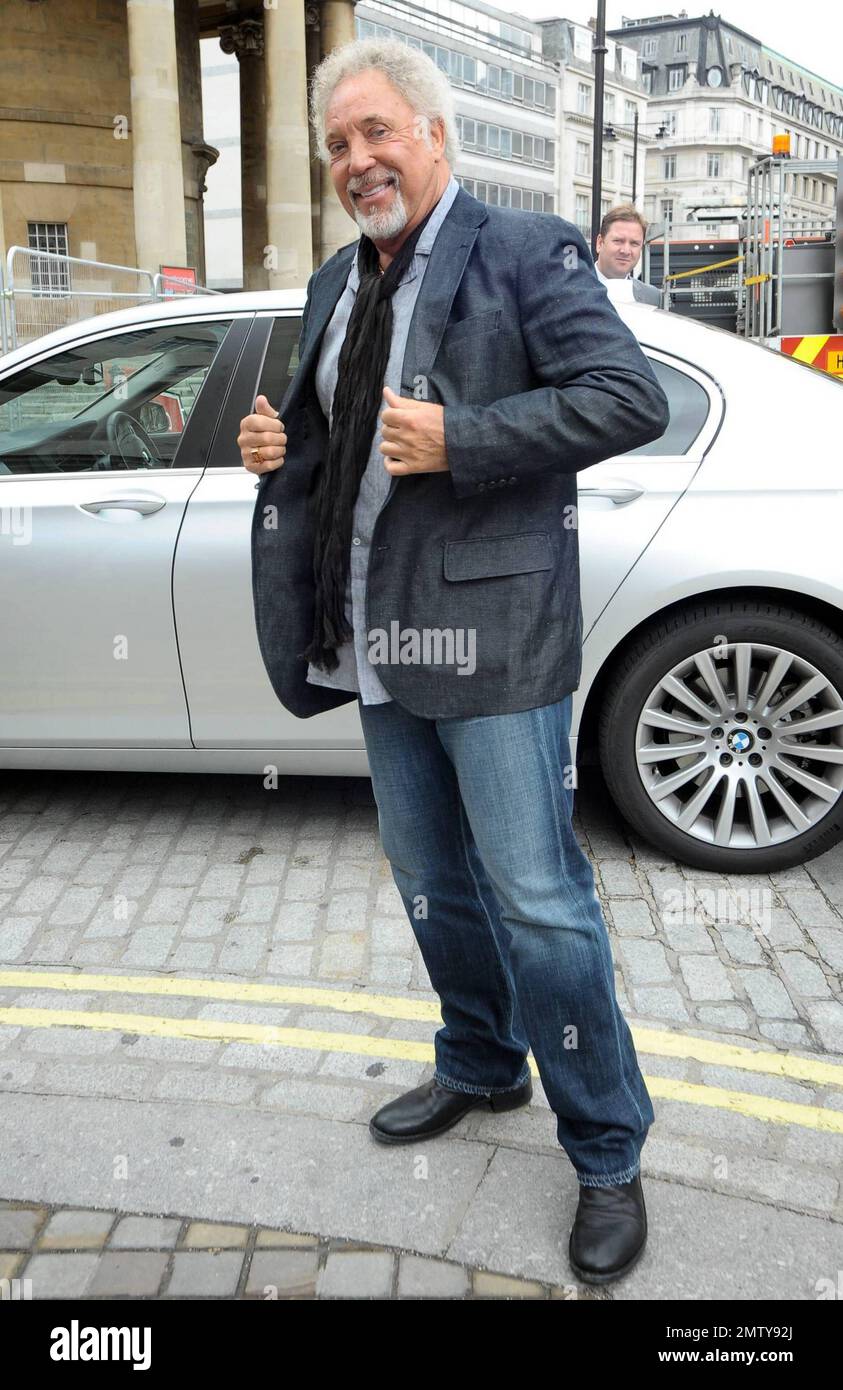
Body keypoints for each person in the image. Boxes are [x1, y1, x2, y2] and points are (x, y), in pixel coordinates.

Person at [238, 37, 670, 1286]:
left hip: (495, 641)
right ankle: (481, 1063)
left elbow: (626, 397)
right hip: (375, 633)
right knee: (431, 877)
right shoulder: (335, 281)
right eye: (337, 144)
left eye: (377, 131)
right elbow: (332, 438)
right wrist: (280, 447)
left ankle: (605, 1146)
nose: (357, 159)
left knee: (538, 897)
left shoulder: (529, 252)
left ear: (434, 134)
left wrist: (468, 437)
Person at [594, 205, 662, 305]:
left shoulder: (651, 297)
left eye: (634, 243)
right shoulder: (571, 290)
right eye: (618, 241)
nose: (626, 251)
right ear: (600, 243)